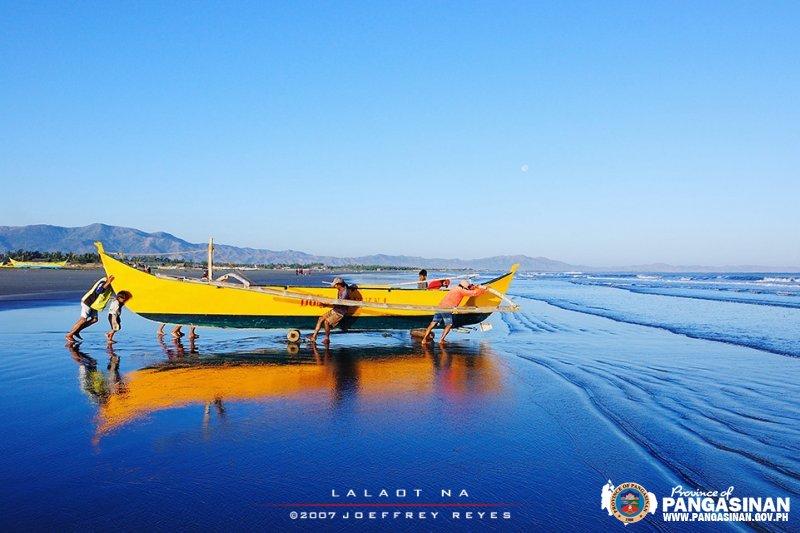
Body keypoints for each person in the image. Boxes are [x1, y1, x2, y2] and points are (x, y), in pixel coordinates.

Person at [421, 280, 487, 344]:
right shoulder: (461, 291)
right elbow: (474, 293)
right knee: (449, 324)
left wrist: (475, 287)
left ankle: (424, 339)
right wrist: (483, 289)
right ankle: (441, 340)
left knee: (433, 323)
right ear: (464, 287)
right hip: (447, 309)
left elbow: (469, 290)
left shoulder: (455, 288)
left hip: (440, 306)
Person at [66, 275, 115, 343]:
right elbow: (99, 291)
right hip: (88, 302)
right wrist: (108, 282)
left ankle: (77, 331)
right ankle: (69, 335)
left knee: (94, 319)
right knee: (83, 319)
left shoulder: (110, 283)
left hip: (94, 304)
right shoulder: (104, 281)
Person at [309, 277, 351, 344]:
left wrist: (326, 304)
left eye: (336, 285)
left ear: (339, 284)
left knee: (326, 322)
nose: (335, 286)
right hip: (335, 309)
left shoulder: (345, 293)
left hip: (340, 312)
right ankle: (314, 336)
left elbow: (339, 303)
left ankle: (327, 339)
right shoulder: (341, 289)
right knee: (320, 319)